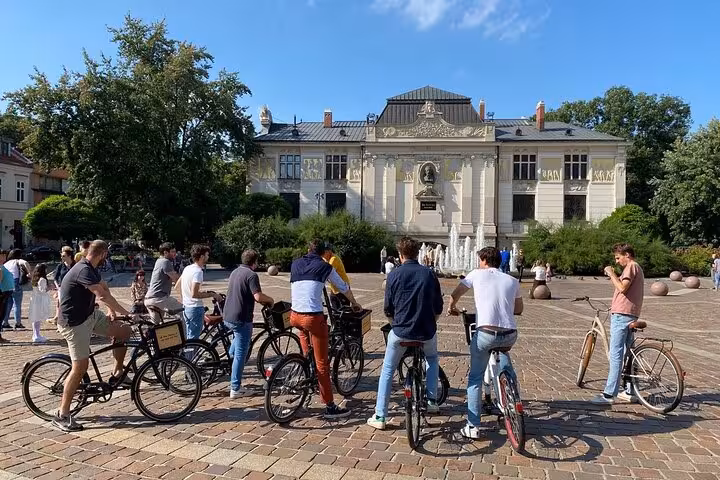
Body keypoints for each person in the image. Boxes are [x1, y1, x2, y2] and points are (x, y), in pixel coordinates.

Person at [53, 240, 132, 431]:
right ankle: (62, 414)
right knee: (80, 367)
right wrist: (128, 313)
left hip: (90, 315)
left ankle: (117, 372)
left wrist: (112, 311)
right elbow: (101, 294)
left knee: (125, 330)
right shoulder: (83, 269)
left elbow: (103, 288)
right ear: (103, 254)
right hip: (74, 323)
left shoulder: (91, 267)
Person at [367, 236, 443, 430]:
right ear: (418, 253)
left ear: (400, 255)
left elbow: (387, 309)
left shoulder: (393, 275)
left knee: (387, 369)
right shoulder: (429, 274)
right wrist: (430, 322)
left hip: (400, 331)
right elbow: (438, 307)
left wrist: (396, 324)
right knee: (432, 360)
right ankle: (433, 401)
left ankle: (380, 415)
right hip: (426, 331)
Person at [448, 246, 523, 439]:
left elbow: (455, 294)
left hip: (485, 333)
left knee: (475, 378)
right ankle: (513, 399)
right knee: (505, 360)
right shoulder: (512, 280)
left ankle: (473, 426)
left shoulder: (476, 275)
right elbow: (519, 309)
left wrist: (452, 307)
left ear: (483, 260)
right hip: (509, 333)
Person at [290, 239, 362, 419]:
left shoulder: (295, 263)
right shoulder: (325, 266)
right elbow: (343, 287)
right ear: (324, 253)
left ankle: (307, 370)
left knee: (309, 351)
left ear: (308, 250)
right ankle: (330, 406)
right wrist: (354, 303)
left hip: (294, 316)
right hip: (312, 318)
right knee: (322, 363)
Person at [591, 243, 644, 405]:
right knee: (629, 354)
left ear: (627, 255)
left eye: (618, 257)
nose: (616, 261)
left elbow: (622, 287)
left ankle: (609, 394)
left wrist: (611, 273)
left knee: (616, 354)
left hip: (622, 315)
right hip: (631, 313)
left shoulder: (631, 267)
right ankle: (631, 390)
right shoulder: (638, 268)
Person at [223, 249, 274, 397]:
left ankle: (231, 361)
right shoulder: (251, 275)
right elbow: (258, 296)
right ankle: (236, 388)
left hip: (228, 315)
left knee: (237, 346)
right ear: (255, 262)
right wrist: (270, 300)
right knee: (241, 354)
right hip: (242, 318)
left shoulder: (235, 271)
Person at [176, 245, 220, 340]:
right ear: (202, 257)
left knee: (189, 336)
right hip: (195, 308)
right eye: (207, 255)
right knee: (194, 339)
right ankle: (190, 355)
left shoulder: (188, 268)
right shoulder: (198, 272)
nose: (208, 257)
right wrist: (212, 294)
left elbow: (177, 286)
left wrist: (184, 298)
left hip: (186, 307)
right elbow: (194, 294)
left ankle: (186, 355)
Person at [144, 242, 182, 323]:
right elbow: (177, 280)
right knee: (184, 311)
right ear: (165, 252)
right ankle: (186, 335)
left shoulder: (159, 261)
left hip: (149, 299)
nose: (175, 254)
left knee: (157, 326)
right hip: (159, 298)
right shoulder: (165, 262)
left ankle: (149, 335)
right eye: (172, 252)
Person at [3, 249, 31, 329]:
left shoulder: (7, 263)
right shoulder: (17, 261)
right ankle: (18, 323)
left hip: (7, 283)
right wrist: (29, 273)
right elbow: (25, 262)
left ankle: (5, 323)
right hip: (16, 282)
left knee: (8, 304)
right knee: (17, 304)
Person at [49, 247, 75, 324]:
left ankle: (70, 320)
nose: (61, 257)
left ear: (69, 256)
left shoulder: (75, 265)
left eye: (63, 256)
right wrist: (58, 287)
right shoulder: (60, 266)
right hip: (61, 288)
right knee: (61, 304)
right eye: (61, 256)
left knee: (72, 304)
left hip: (72, 288)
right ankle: (60, 321)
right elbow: (55, 278)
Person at [29, 263, 54, 343]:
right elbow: (42, 291)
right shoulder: (42, 279)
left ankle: (35, 334)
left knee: (35, 317)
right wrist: (50, 287)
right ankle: (36, 335)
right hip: (39, 300)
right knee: (38, 318)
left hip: (34, 299)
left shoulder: (34, 278)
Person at [321, 245, 351, 310]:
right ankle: (336, 318)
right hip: (335, 288)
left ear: (329, 251)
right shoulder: (329, 259)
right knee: (334, 303)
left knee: (344, 308)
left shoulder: (333, 259)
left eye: (324, 253)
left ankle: (344, 319)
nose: (323, 256)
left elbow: (328, 272)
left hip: (342, 287)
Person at [0, 265, 14, 343]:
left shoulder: (2, 266)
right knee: (1, 315)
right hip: (2, 294)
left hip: (5, 294)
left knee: (2, 315)